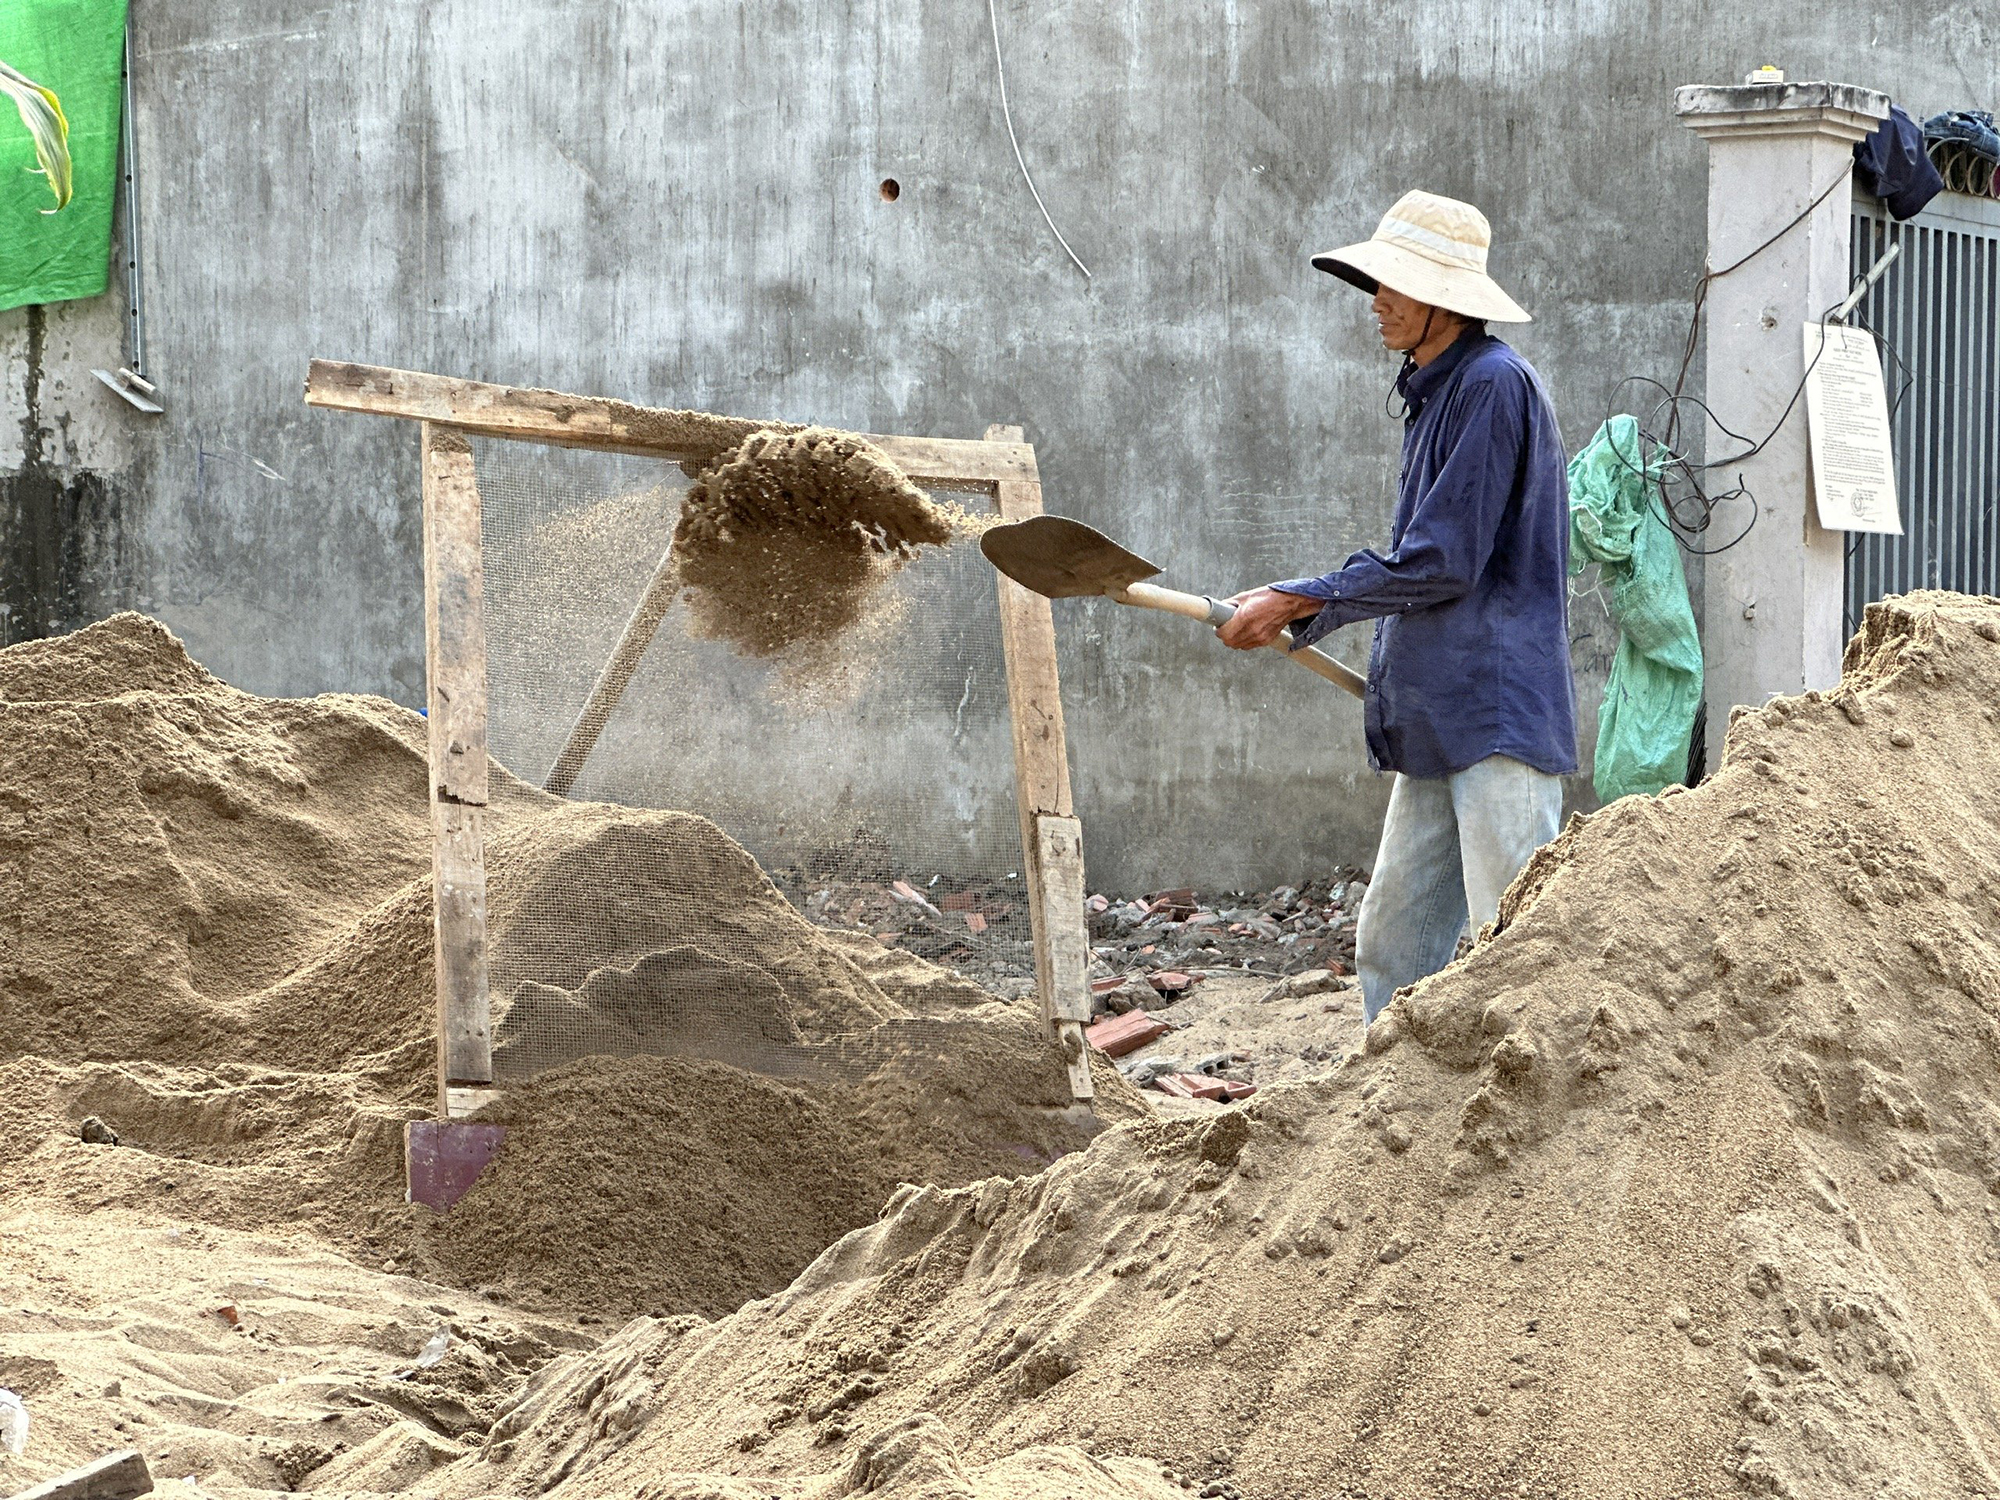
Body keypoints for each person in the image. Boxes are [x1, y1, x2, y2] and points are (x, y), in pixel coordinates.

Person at [1217, 189, 1576, 1026]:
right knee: (1394, 942)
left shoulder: (1491, 387)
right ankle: (1384, 1125)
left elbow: (1441, 562)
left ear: (1446, 301)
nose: (1377, 302)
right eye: (1377, 283)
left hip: (1495, 718)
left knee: (1515, 950)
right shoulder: (1434, 390)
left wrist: (1305, 597)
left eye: (1397, 286)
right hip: (1440, 717)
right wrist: (1304, 601)